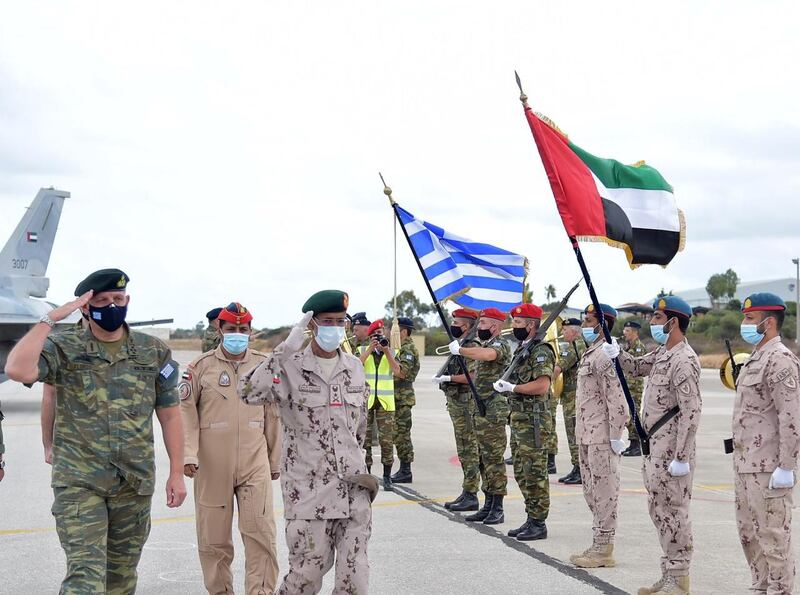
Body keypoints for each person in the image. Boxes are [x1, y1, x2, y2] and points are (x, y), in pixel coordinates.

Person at [4, 268, 187, 594]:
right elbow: (17, 369)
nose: (112, 306)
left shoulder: (152, 352)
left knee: (120, 581)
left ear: (127, 300)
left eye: (118, 299)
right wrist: (50, 318)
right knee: (84, 580)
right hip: (79, 482)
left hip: (134, 483)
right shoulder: (64, 347)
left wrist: (176, 473)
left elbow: (171, 415)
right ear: (85, 307)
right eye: (102, 301)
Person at [238, 290, 376, 595]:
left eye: (340, 322)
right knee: (305, 578)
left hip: (354, 490)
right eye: (328, 321)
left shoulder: (353, 367)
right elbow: (248, 391)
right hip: (309, 494)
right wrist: (285, 348)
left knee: (355, 581)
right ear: (311, 324)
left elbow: (359, 428)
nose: (335, 328)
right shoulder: (290, 366)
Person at [181, 302, 282, 595]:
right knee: (214, 541)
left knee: (261, 536)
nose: (237, 334)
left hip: (255, 463)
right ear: (219, 329)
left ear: (250, 331)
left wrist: (274, 460)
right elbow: (186, 414)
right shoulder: (199, 368)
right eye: (231, 329)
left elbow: (273, 416)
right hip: (212, 466)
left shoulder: (264, 366)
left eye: (243, 329)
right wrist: (189, 454)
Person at [609, 297, 701, 595]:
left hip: (672, 451)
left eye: (657, 316)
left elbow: (691, 410)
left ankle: (680, 576)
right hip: (655, 449)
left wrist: (682, 457)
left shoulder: (684, 360)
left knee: (674, 513)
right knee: (660, 511)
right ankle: (670, 574)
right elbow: (636, 368)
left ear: (673, 322)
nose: (652, 322)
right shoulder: (663, 353)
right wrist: (615, 353)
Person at [730, 293, 800, 595]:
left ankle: (779, 591)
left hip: (769, 468)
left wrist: (786, 466)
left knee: (773, 539)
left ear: (768, 322)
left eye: (749, 319)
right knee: (750, 536)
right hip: (747, 465)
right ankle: (761, 588)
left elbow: (791, 417)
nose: (744, 324)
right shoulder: (756, 358)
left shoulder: (780, 359)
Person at [569, 303, 628, 569]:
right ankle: (598, 543)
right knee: (592, 493)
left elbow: (617, 400)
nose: (584, 325)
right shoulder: (591, 353)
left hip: (602, 437)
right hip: (586, 434)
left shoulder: (605, 356)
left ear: (602, 324)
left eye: (589, 321)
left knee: (604, 493)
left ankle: (604, 548)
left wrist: (616, 435)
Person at [493, 303, 554, 541]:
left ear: (530, 325)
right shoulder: (523, 349)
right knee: (521, 470)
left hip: (534, 421)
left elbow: (542, 385)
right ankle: (531, 517)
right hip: (519, 420)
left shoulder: (541, 351)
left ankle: (539, 522)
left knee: (535, 471)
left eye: (517, 323)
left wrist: (513, 387)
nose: (512, 327)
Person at [447, 307, 511, 525]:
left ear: (495, 326)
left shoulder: (499, 345)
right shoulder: (485, 344)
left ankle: (498, 507)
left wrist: (461, 351)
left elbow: (489, 355)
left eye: (482, 324)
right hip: (480, 408)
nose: (479, 327)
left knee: (494, 459)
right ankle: (488, 503)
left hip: (494, 410)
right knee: (484, 459)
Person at [433, 309, 482, 512]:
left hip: (466, 405)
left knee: (469, 449)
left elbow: (472, 375)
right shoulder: (459, 346)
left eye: (457, 322)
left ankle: (471, 493)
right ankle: (467, 490)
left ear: (467, 326)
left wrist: (449, 379)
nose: (453, 325)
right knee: (463, 449)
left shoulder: (471, 346)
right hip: (457, 404)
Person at [358, 319, 401, 490]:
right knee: (365, 440)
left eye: (381, 334)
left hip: (385, 402)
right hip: (367, 401)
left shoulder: (393, 351)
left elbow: (397, 371)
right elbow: (356, 365)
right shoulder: (361, 350)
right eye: (376, 335)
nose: (379, 337)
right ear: (370, 337)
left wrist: (387, 352)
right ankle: (367, 473)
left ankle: (387, 475)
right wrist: (370, 349)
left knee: (386, 440)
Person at [555, 318, 587, 485]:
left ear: (574, 332)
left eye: (565, 330)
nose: (562, 333)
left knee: (574, 436)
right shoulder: (582, 345)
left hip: (572, 399)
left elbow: (558, 368)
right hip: (576, 398)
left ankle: (580, 469)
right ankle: (577, 467)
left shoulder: (574, 347)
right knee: (575, 435)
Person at [391, 316, 421, 483]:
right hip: (396, 397)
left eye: (394, 330)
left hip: (402, 398)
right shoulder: (399, 347)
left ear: (403, 331)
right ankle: (403, 469)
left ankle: (406, 470)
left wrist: (389, 356)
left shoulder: (407, 349)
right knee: (397, 435)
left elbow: (403, 372)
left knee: (402, 435)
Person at [620, 320, 647, 457]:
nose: (624, 333)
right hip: (626, 386)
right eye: (624, 330)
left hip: (634, 386)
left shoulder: (638, 348)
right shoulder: (626, 347)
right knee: (628, 415)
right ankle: (633, 443)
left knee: (634, 414)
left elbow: (636, 366)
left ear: (635, 332)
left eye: (627, 331)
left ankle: (637, 444)